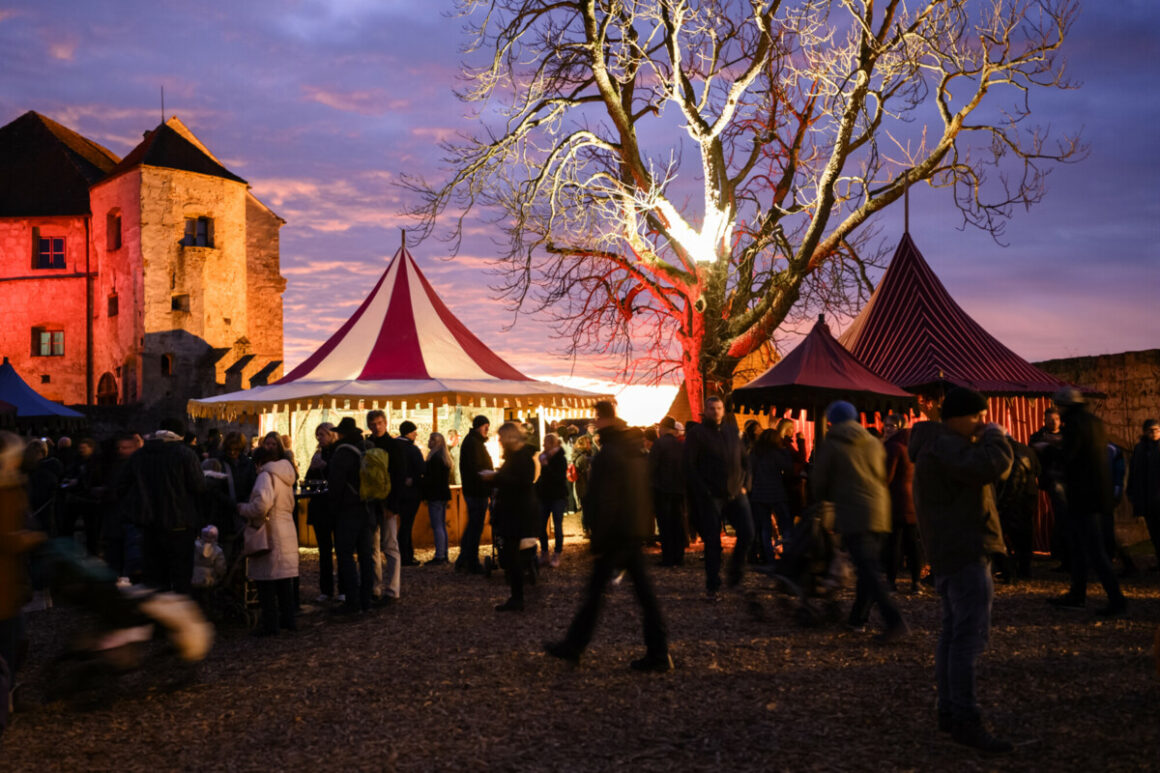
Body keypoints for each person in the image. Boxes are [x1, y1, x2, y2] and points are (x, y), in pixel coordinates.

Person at [908, 387, 1014, 754]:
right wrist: (997, 436)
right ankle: (965, 719)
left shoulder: (938, 445)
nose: (983, 422)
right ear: (955, 418)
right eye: (977, 416)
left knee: (953, 634)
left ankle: (950, 711)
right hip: (965, 548)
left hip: (951, 550)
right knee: (968, 638)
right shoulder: (946, 447)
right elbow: (990, 466)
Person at [545, 402, 671, 672]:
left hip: (617, 532)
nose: (594, 423)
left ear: (603, 420)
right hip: (630, 528)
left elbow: (606, 498)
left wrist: (599, 536)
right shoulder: (632, 449)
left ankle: (576, 645)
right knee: (635, 593)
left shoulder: (611, 453)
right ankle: (657, 650)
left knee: (600, 593)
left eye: (596, 418)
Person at [811, 401, 906, 640]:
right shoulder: (873, 442)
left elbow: (820, 482)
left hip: (854, 513)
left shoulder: (832, 443)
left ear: (832, 421)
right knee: (868, 568)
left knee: (868, 570)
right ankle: (857, 619)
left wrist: (825, 497)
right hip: (881, 510)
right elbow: (881, 473)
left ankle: (894, 621)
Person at [1047, 389, 1127, 617]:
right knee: (1081, 547)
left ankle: (1116, 600)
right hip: (1097, 493)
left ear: (1065, 405)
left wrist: (1050, 450)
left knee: (1093, 550)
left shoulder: (1074, 424)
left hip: (1083, 495)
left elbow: (1070, 456)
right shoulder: (1094, 422)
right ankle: (1078, 594)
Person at [122, 419, 206, 595]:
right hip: (180, 525)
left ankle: (159, 610)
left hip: (149, 525)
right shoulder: (185, 454)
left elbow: (123, 485)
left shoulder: (140, 455)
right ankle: (179, 610)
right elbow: (198, 486)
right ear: (180, 435)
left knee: (155, 579)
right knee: (181, 578)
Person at [684, 396, 754, 600]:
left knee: (748, 532)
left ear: (723, 410)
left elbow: (745, 460)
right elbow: (689, 465)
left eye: (719, 408)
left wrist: (745, 485)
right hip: (711, 495)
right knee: (712, 541)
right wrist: (703, 491)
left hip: (735, 492)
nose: (715, 411)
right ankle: (713, 585)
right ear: (705, 410)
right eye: (712, 408)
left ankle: (735, 572)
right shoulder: (697, 434)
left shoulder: (732, 431)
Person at [238, 434, 300, 635]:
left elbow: (261, 506)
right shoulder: (286, 474)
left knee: (266, 582)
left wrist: (243, 508)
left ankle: (270, 625)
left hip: (270, 530)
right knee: (284, 581)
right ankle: (288, 620)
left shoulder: (265, 476)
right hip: (287, 528)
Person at [482, 422, 539, 612]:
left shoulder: (522, 458)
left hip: (517, 513)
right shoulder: (517, 457)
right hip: (513, 512)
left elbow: (522, 483)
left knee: (514, 557)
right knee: (512, 556)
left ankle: (517, 597)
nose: (499, 441)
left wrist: (495, 478)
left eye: (501, 437)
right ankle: (516, 596)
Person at [329, 417, 376, 617]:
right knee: (366, 556)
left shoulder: (342, 453)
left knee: (345, 555)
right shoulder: (366, 448)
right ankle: (367, 600)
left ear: (341, 433)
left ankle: (352, 601)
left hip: (348, 510)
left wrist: (333, 510)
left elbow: (336, 486)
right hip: (367, 508)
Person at [881, 413, 922, 593]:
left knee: (894, 543)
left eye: (891, 426)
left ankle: (891, 581)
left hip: (896, 501)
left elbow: (886, 477)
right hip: (911, 500)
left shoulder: (893, 447)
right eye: (886, 425)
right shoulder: (911, 445)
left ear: (899, 427)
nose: (887, 429)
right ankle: (916, 581)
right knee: (912, 543)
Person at [365, 410, 401, 603]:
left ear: (385, 423)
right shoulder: (369, 445)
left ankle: (391, 588)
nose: (376, 427)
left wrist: (393, 506)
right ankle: (377, 587)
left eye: (379, 423)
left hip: (385, 502)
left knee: (389, 546)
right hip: (373, 502)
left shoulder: (393, 446)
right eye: (373, 424)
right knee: (375, 546)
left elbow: (398, 476)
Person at [305, 422, 343, 603]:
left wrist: (325, 466)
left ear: (331, 435)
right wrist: (313, 468)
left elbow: (340, 477)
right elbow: (308, 480)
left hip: (335, 508)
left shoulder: (339, 453)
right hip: (320, 508)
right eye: (318, 435)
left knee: (342, 550)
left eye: (323, 434)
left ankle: (343, 588)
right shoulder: (317, 454)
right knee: (324, 551)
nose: (319, 438)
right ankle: (326, 589)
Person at [994, 435, 1040, 582]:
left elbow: (1012, 481)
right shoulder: (1027, 449)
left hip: (1015, 497)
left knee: (1006, 531)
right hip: (1030, 493)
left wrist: (1002, 503)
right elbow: (1038, 470)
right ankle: (1025, 568)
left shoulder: (1006, 451)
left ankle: (1009, 569)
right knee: (1025, 533)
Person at [1030, 406, 1068, 572]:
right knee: (1061, 514)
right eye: (1050, 420)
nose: (1054, 422)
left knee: (1064, 516)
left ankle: (1061, 551)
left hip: (1068, 480)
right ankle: (1060, 552)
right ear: (1044, 420)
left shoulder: (1068, 435)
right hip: (1051, 479)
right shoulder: (1037, 437)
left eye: (1056, 419)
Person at [456, 415, 494, 574]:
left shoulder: (472, 441)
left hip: (474, 489)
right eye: (486, 426)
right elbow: (477, 468)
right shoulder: (474, 443)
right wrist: (489, 476)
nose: (487, 430)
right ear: (479, 426)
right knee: (475, 526)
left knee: (473, 525)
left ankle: (463, 559)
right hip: (477, 490)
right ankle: (471, 561)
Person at [650, 416, 687, 567]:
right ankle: (679, 556)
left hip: (662, 490)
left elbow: (652, 466)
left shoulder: (659, 444)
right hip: (679, 490)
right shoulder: (680, 445)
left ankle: (668, 557)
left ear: (663, 428)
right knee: (678, 523)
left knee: (665, 525)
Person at [391, 420, 425, 567]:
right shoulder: (412, 449)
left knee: (399, 525)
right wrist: (414, 479)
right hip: (411, 493)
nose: (415, 434)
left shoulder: (392, 446)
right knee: (407, 525)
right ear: (408, 433)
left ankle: (400, 554)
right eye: (413, 432)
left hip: (395, 492)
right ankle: (406, 556)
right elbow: (421, 469)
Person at [1127, 418, 1160, 568]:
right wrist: (1132, 492)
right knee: (1154, 533)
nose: (1154, 433)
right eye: (1151, 430)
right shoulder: (1140, 449)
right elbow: (1134, 472)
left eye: (1157, 430)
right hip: (1147, 499)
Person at [535, 432, 568, 567]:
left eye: (545, 443)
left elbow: (558, 478)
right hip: (545, 496)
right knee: (541, 525)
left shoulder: (560, 459)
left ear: (551, 444)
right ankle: (544, 553)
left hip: (558, 496)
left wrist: (546, 466)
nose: (543, 446)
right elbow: (543, 478)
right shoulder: (545, 458)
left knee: (557, 525)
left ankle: (557, 554)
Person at [423, 432, 453, 565]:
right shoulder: (444, 458)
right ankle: (444, 553)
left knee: (437, 526)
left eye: (431, 440)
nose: (428, 442)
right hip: (443, 494)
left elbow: (431, 479)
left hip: (435, 495)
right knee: (441, 525)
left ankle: (440, 555)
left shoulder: (434, 458)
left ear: (435, 442)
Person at [191, 525, 226, 589]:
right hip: (209, 581)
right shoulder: (217, 550)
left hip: (193, 579)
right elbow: (220, 568)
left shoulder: (194, 545)